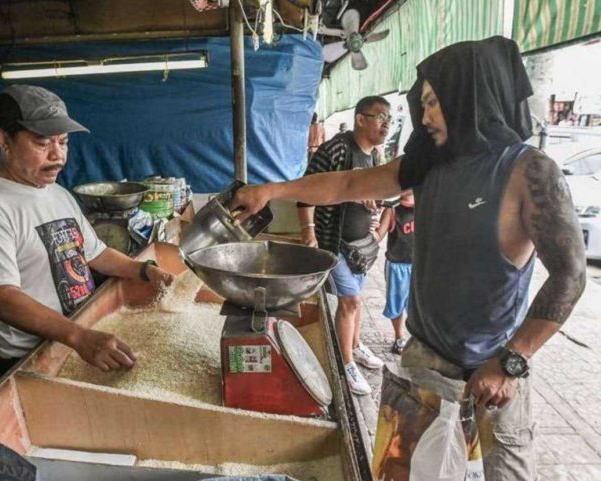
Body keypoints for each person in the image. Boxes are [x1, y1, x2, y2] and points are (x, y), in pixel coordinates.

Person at [231, 36, 586, 479]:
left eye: (435, 102)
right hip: (426, 359)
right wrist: (272, 191)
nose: (425, 116)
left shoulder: (527, 170)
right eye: (423, 104)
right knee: (407, 472)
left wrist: (511, 361)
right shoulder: (428, 165)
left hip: (497, 369)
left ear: (469, 99)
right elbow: (345, 185)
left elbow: (570, 276)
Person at [0, 85, 174, 376]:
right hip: (30, 358)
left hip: (79, 336)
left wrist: (144, 271)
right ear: (3, 140)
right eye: (42, 143)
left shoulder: (57, 193)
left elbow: (95, 253)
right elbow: (3, 299)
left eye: (63, 142)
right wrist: (79, 337)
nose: (57, 156)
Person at [297, 96, 391, 396]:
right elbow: (306, 191)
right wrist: (308, 231)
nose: (386, 124)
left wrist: (376, 222)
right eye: (380, 117)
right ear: (360, 119)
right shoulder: (336, 149)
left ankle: (354, 343)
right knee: (351, 302)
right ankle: (345, 363)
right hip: (333, 240)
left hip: (360, 246)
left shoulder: (375, 155)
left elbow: (375, 193)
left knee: (356, 299)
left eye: (389, 118)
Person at [373, 190, 414, 354]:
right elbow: (379, 235)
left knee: (418, 306)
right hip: (397, 265)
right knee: (396, 304)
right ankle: (399, 337)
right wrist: (369, 229)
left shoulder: (426, 207)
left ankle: (416, 339)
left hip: (419, 266)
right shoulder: (392, 209)